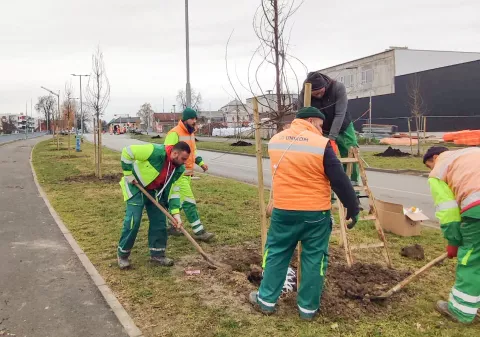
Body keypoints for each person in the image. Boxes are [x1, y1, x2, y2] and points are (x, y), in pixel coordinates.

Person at [249, 106, 360, 320]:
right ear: (310, 120)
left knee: (277, 253)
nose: (321, 130)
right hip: (315, 213)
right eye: (319, 125)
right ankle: (307, 309)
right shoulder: (321, 145)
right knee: (314, 258)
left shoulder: (275, 141)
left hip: (284, 211)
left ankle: (266, 301)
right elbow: (339, 179)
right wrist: (352, 208)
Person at [424, 146, 480, 324]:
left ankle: (461, 311)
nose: (430, 170)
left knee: (471, 260)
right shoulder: (471, 153)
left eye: (429, 165)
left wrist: (454, 241)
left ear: (435, 157)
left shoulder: (439, 170)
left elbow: (449, 213)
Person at [117, 141, 191, 269]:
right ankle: (122, 254)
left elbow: (174, 190)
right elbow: (127, 152)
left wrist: (176, 214)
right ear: (174, 153)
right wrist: (128, 174)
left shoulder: (179, 169)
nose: (184, 162)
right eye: (183, 158)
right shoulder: (155, 151)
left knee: (160, 221)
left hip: (156, 191)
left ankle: (158, 254)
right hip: (136, 186)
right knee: (134, 221)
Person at [297, 72, 359, 186]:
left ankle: (353, 186)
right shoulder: (304, 94)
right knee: (325, 158)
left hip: (343, 125)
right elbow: (302, 116)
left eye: (321, 92)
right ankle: (329, 193)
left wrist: (332, 138)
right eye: (315, 94)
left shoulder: (337, 88)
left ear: (325, 86)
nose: (319, 95)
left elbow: (340, 114)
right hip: (321, 128)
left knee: (350, 151)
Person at [164, 108, 215, 242]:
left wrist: (201, 163)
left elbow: (193, 152)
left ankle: (172, 226)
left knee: (178, 201)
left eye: (195, 119)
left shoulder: (191, 134)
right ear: (185, 119)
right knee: (189, 201)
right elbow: (168, 152)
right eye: (192, 119)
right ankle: (199, 231)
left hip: (187, 174)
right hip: (178, 174)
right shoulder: (174, 133)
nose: (194, 121)